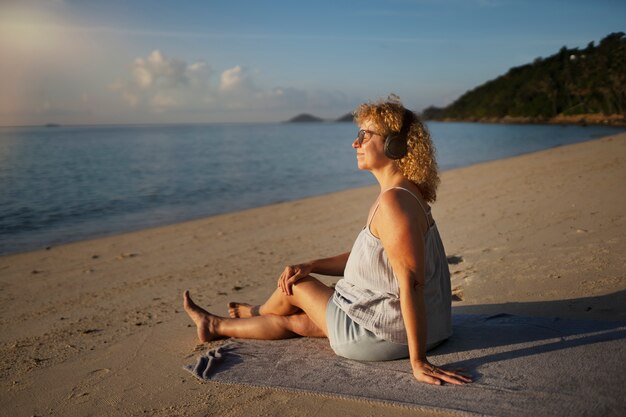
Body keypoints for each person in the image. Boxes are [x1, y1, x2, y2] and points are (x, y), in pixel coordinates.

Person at [183, 96, 472, 386]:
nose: (355, 144)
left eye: (364, 135)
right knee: (296, 322)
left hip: (385, 335)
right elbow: (374, 258)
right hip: (428, 329)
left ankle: (256, 310)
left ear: (393, 145)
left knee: (293, 285)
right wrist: (314, 264)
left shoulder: (395, 202)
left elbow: (411, 283)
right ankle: (216, 325)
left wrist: (418, 361)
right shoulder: (406, 193)